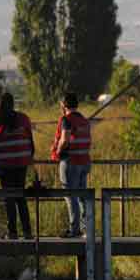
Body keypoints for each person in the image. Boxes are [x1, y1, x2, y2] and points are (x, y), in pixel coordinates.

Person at [0, 92, 34, 240]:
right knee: (21, 196)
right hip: (22, 162)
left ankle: (12, 232)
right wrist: (28, 155)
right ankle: (27, 232)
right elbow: (31, 141)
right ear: (13, 103)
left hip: (5, 163)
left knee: (9, 197)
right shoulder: (24, 118)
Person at [50, 92, 91, 238]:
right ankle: (87, 228)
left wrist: (58, 152)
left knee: (70, 194)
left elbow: (65, 138)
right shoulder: (84, 120)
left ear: (63, 105)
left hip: (70, 160)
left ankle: (74, 229)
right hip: (84, 161)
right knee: (82, 195)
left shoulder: (66, 120)